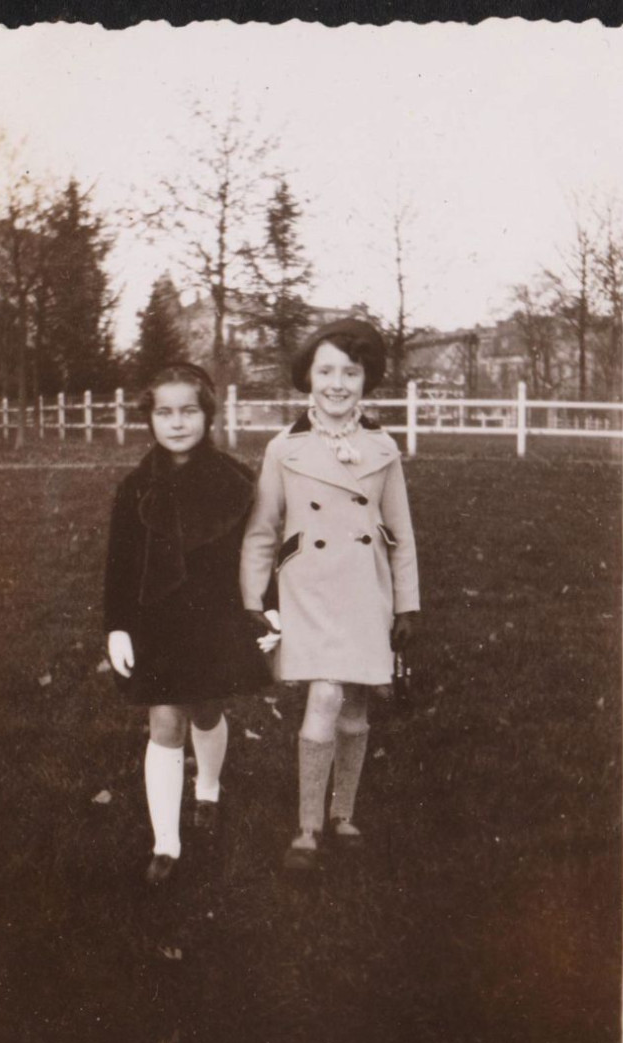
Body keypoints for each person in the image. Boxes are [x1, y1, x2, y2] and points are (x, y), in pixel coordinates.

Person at [240, 318, 420, 869]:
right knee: (323, 695)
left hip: (367, 589)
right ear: (307, 377)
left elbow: (401, 533)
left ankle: (345, 814)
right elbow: (262, 530)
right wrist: (252, 599)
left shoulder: (383, 448)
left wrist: (408, 604)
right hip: (309, 590)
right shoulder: (283, 449)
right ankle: (308, 828)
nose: (337, 383)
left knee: (357, 706)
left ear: (367, 380)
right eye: (325, 371)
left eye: (351, 371)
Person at [104, 363, 269, 884]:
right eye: (164, 412)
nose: (177, 423)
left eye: (189, 411)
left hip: (215, 620)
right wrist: (118, 626)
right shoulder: (135, 488)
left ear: (208, 414)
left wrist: (267, 606)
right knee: (165, 722)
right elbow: (120, 566)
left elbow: (258, 553)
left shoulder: (235, 481)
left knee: (206, 710)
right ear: (149, 419)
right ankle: (166, 843)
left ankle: (209, 789)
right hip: (157, 624)